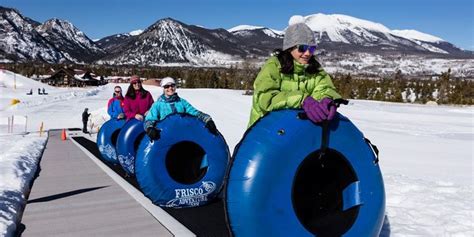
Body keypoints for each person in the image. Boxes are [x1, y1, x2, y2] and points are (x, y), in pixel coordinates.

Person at [248, 15, 341, 127]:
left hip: (296, 133)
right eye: (302, 48)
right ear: (289, 47)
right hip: (266, 131)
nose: (307, 53)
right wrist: (302, 99)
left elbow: (324, 88)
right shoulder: (273, 66)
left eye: (311, 48)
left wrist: (327, 99)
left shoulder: (315, 68)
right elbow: (265, 97)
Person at [144, 77, 218, 140]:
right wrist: (149, 128)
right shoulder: (158, 105)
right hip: (166, 137)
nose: (170, 88)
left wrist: (208, 119)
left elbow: (194, 112)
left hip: (183, 135)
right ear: (163, 88)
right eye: (167, 86)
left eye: (172, 85)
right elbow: (149, 119)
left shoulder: (182, 102)